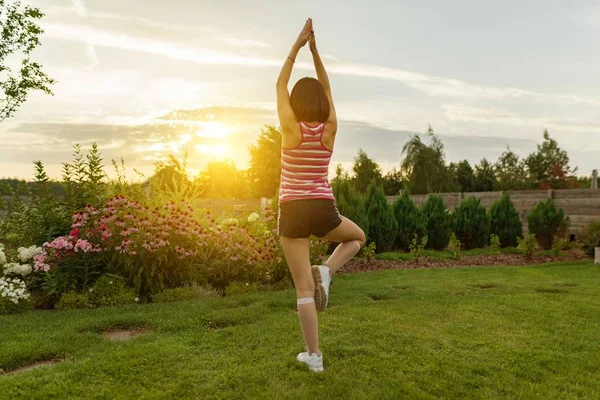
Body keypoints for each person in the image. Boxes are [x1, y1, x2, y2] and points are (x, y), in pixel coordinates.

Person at [276, 18, 366, 372]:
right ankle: (327, 271)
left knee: (302, 289)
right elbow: (328, 91)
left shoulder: (288, 128)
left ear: (296, 103)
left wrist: (297, 47)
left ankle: (314, 357)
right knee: (356, 238)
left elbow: (280, 83)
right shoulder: (329, 129)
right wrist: (316, 52)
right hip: (323, 207)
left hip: (293, 211)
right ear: (324, 104)